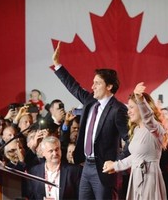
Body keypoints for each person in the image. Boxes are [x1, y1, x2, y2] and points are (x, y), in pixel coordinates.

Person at [52, 41, 129, 199]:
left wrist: (117, 163)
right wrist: (57, 64)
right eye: (93, 83)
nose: (92, 86)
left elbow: (131, 139)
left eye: (97, 83)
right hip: (86, 166)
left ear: (109, 86)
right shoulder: (90, 102)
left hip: (105, 171)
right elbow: (73, 86)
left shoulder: (118, 109)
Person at [103, 82, 167, 200]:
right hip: (136, 177)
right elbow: (136, 157)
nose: (128, 111)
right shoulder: (137, 130)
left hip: (150, 178)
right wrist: (115, 165)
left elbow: (148, 118)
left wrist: (140, 99)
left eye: (132, 107)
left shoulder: (155, 128)